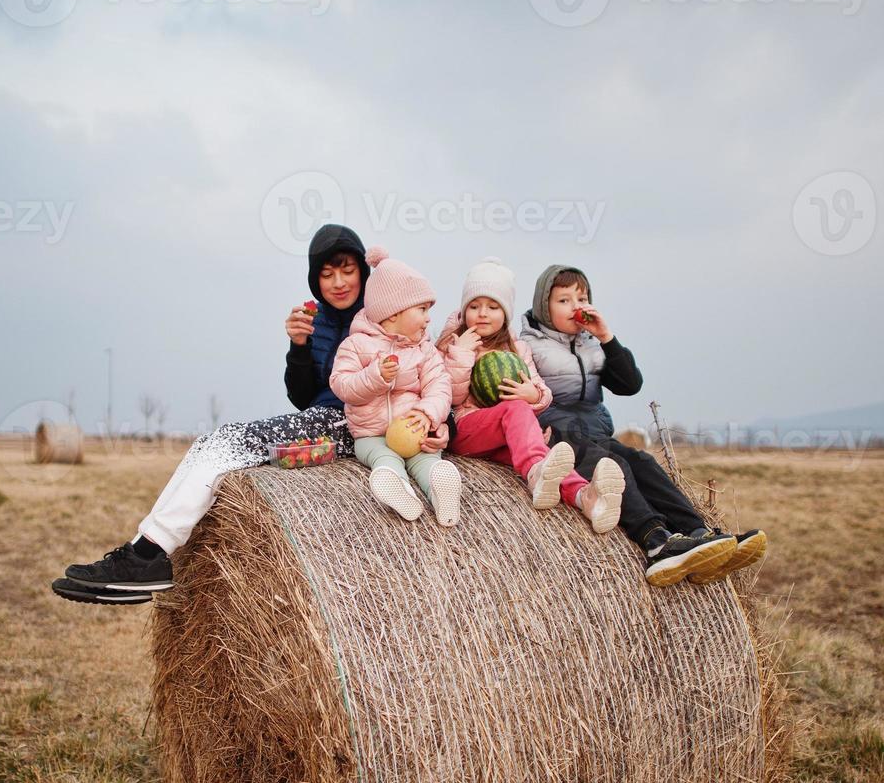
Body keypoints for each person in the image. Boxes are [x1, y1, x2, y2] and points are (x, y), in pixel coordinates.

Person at [52, 225, 450, 604]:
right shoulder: (317, 322)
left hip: (350, 428)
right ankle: (146, 551)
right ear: (316, 282)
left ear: (365, 271)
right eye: (326, 274)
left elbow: (434, 375)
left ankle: (146, 555)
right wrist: (298, 347)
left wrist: (440, 426)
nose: (339, 282)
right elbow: (303, 396)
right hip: (320, 417)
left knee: (228, 441)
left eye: (347, 270)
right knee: (214, 441)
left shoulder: (394, 313)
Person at [519, 264, 768, 586]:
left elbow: (629, 384)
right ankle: (656, 541)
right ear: (543, 305)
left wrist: (606, 337)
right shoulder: (527, 344)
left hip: (595, 431)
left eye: (581, 298)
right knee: (615, 466)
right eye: (563, 300)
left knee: (642, 461)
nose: (575, 307)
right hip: (559, 435)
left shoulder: (590, 347)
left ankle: (699, 533)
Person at [435, 257, 625, 532]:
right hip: (466, 429)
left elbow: (543, 392)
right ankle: (537, 473)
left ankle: (586, 497)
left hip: (503, 435)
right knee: (521, 420)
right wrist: (462, 353)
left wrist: (532, 395)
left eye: (492, 306)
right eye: (474, 306)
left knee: (546, 458)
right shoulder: (452, 344)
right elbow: (450, 396)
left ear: (506, 312)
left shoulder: (518, 349)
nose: (483, 313)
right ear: (464, 311)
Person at [329, 247, 461, 526]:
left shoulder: (425, 350)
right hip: (371, 435)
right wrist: (375, 376)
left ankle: (441, 491)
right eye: (422, 309)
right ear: (392, 315)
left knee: (427, 460)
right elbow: (342, 384)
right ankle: (399, 491)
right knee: (385, 459)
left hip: (414, 431)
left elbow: (440, 386)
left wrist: (426, 414)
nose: (428, 318)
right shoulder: (356, 345)